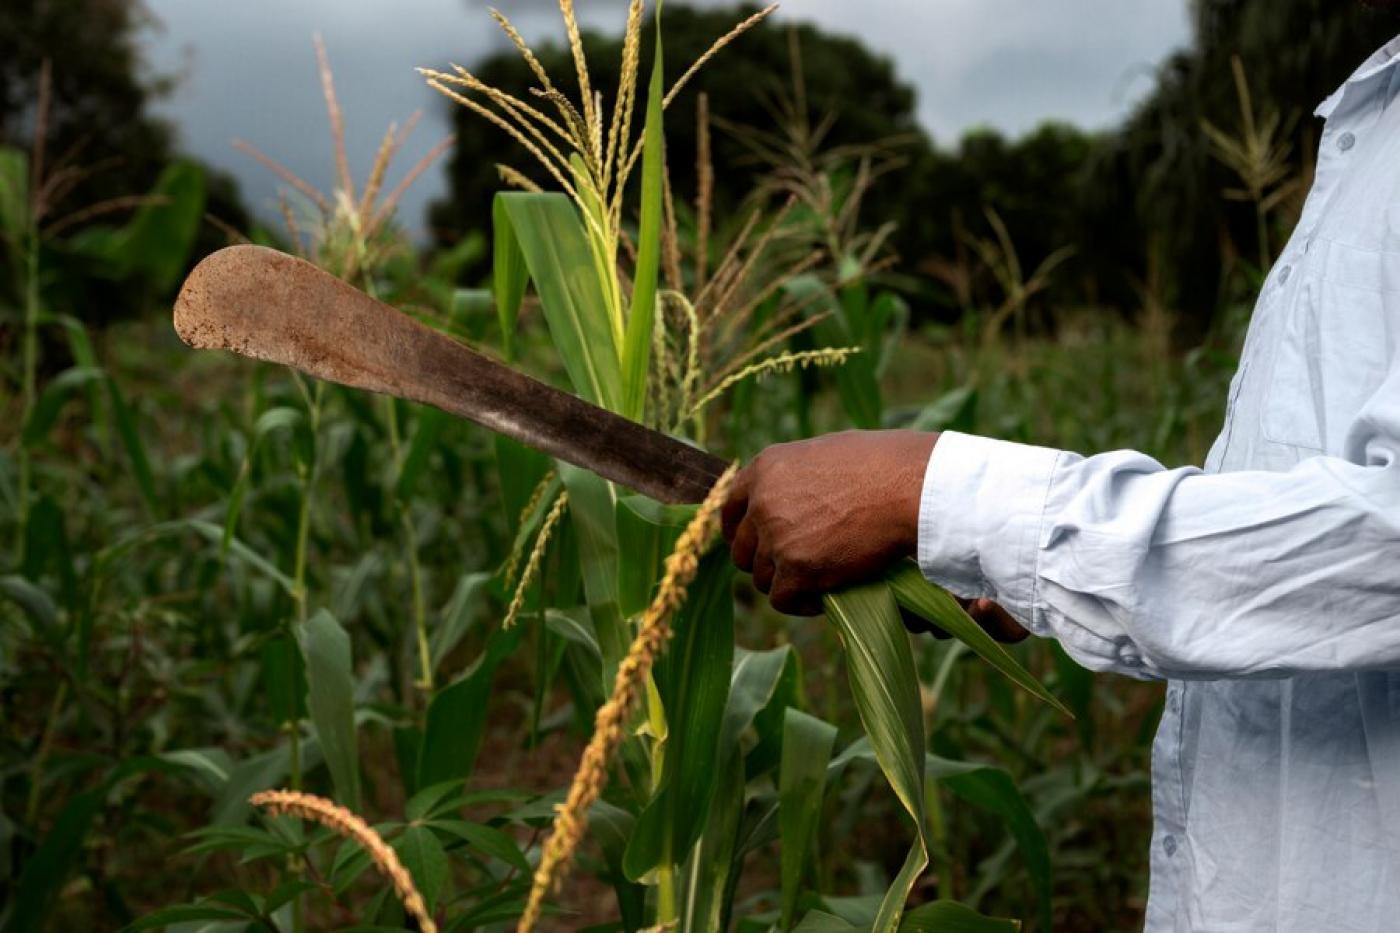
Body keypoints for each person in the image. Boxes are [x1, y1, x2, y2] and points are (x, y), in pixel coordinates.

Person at [721, 31, 1400, 933]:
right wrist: (1010, 559)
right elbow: (1315, 496)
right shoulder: (1371, 124)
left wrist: (937, 492)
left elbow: (1382, 542)